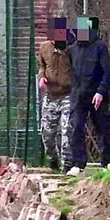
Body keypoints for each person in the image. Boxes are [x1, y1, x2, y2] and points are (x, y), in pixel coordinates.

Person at [66, 16, 110, 176]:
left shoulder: (100, 47)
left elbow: (108, 73)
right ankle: (78, 164)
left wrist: (100, 92)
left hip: (97, 96)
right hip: (79, 96)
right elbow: (71, 72)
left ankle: (107, 163)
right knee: (76, 128)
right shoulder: (73, 49)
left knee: (103, 129)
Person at [37, 16, 74, 172]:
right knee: (47, 133)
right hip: (51, 95)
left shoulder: (71, 48)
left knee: (67, 131)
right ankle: (53, 159)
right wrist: (42, 77)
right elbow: (42, 66)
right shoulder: (44, 48)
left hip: (67, 94)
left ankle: (67, 164)